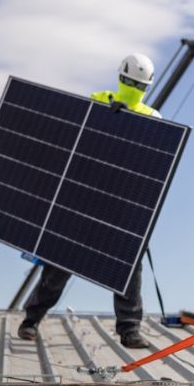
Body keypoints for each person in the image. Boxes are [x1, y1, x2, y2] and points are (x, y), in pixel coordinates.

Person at [17, 53, 161, 348]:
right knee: (60, 263)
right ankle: (31, 320)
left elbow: (152, 165)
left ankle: (130, 330)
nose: (133, 88)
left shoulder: (153, 119)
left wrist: (129, 124)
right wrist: (107, 116)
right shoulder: (98, 100)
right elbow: (78, 139)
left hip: (121, 203)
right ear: (122, 78)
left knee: (128, 265)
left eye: (138, 85)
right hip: (84, 195)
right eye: (131, 82)